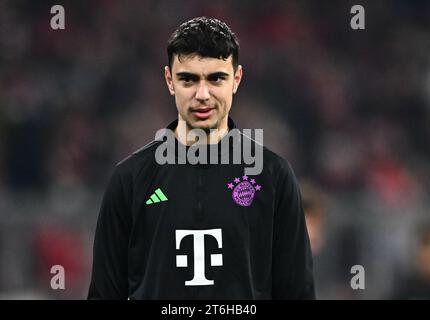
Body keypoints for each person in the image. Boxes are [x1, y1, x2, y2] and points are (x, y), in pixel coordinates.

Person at [88, 16, 314, 299]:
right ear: (170, 81)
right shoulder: (130, 179)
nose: (203, 94)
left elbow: (297, 292)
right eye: (188, 79)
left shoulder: (273, 176)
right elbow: (104, 294)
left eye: (216, 78)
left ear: (237, 79)